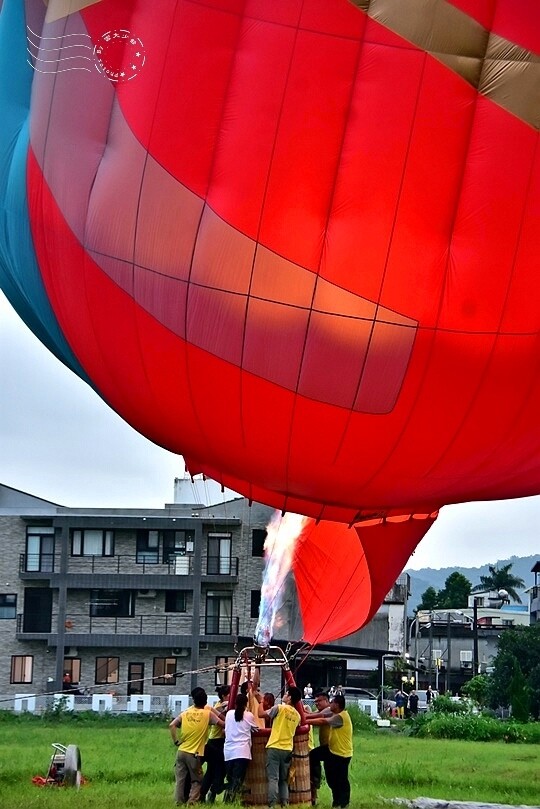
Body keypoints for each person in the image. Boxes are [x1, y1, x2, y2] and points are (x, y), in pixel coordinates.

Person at [169, 686, 224, 805]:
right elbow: (223, 724)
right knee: (197, 780)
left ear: (194, 700)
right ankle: (192, 802)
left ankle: (179, 802)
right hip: (194, 753)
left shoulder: (186, 713)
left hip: (181, 751)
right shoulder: (207, 714)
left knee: (181, 780)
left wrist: (176, 741)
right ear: (205, 702)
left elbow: (172, 725)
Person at [306, 694, 353, 809]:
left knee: (341, 779)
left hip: (342, 754)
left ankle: (344, 803)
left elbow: (322, 721)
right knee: (315, 756)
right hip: (332, 750)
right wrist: (307, 717)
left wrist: (305, 721)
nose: (330, 705)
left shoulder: (340, 717)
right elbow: (319, 715)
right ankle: (335, 800)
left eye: (331, 703)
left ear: (337, 704)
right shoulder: (335, 714)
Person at [258, 686, 302, 808]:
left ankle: (272, 804)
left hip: (274, 747)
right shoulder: (297, 715)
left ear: (290, 697)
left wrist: (261, 702)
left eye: (286, 694)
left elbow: (260, 714)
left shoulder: (279, 708)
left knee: (273, 778)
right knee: (283, 779)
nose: (284, 695)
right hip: (288, 749)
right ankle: (285, 803)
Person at [223, 692, 259, 802]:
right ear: (246, 704)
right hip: (242, 752)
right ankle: (231, 801)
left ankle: (227, 800)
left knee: (230, 779)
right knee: (237, 780)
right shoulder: (249, 715)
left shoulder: (229, 714)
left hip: (228, 752)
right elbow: (256, 728)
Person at [200, 685, 230, 803]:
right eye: (229, 695)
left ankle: (208, 793)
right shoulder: (218, 707)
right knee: (214, 770)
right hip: (216, 742)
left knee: (215, 771)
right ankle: (210, 792)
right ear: (223, 696)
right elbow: (223, 721)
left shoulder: (223, 706)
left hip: (218, 741)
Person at [308, 691, 332, 806]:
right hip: (325, 747)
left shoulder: (329, 710)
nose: (316, 703)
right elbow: (311, 714)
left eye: (319, 701)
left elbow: (317, 718)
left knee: (312, 755)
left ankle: (316, 780)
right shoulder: (321, 711)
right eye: (315, 701)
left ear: (326, 701)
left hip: (331, 748)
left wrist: (304, 719)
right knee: (330, 776)